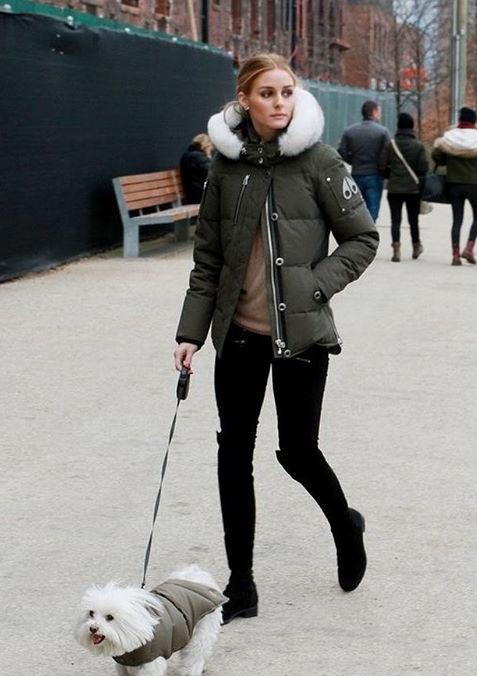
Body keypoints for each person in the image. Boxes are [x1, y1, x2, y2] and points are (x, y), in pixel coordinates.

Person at [174, 54, 379, 624]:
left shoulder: (320, 160)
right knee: (233, 454)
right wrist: (191, 332)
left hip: (303, 335)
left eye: (287, 91)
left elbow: (362, 239)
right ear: (245, 100)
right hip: (237, 336)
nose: (280, 102)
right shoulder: (226, 167)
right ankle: (242, 585)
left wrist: (316, 286)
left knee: (297, 450)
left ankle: (345, 522)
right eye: (267, 93)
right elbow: (207, 259)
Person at [432, 106, 477, 265]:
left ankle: (455, 255)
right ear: (474, 121)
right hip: (475, 184)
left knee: (456, 220)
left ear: (460, 120)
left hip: (454, 184)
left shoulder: (450, 137)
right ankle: (469, 247)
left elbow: (438, 156)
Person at [379, 112, 429, 262]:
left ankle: (396, 249)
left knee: (395, 220)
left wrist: (390, 176)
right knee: (413, 220)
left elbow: (381, 165)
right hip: (413, 189)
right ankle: (416, 246)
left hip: (394, 189)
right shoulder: (418, 145)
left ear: (398, 126)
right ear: (412, 126)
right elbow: (423, 169)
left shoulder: (390, 144)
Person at [338, 100, 390, 222]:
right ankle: (369, 235)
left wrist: (352, 161)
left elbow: (341, 151)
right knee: (373, 210)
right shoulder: (382, 132)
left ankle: (359, 233)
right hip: (375, 175)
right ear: (374, 112)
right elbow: (388, 153)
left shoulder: (349, 131)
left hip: (356, 174)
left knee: (356, 208)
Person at [180, 133, 213, 204]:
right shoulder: (197, 156)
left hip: (193, 194)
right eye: (209, 145)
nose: (211, 148)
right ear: (205, 145)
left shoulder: (190, 154)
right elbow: (212, 171)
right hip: (198, 195)